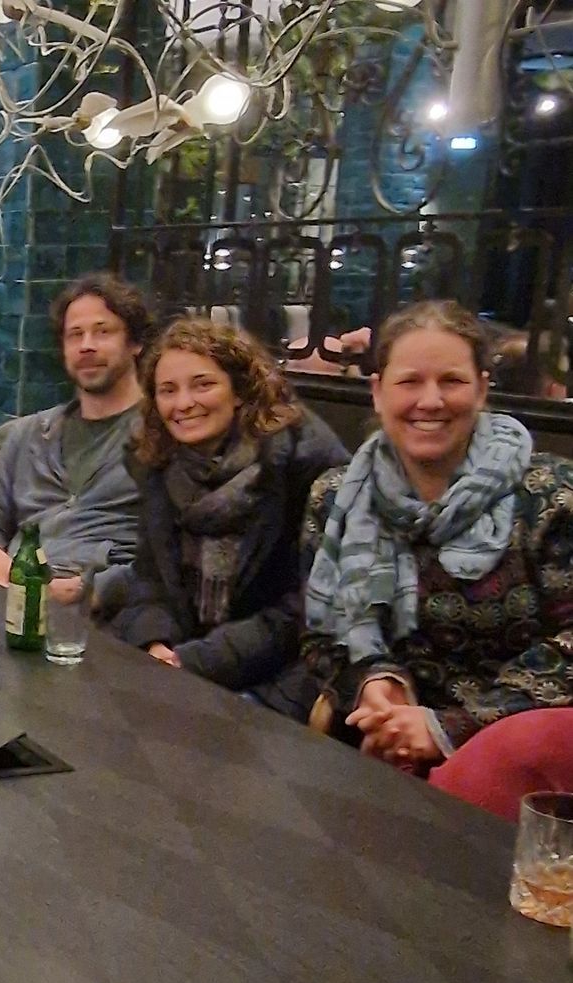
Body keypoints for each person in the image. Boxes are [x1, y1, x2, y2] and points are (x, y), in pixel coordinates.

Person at [302, 300, 573, 820]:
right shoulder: (335, 497)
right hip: (373, 743)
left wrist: (446, 727)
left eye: (451, 380)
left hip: (517, 776)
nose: (430, 401)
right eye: (409, 382)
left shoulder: (552, 497)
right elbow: (321, 631)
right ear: (378, 391)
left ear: (482, 389)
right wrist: (377, 684)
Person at [110, 318, 348, 716]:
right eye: (168, 390)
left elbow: (308, 606)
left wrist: (197, 660)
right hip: (182, 656)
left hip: (281, 671)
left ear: (239, 391)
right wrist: (155, 644)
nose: (183, 403)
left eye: (202, 385)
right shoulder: (157, 460)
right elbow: (150, 576)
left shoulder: (303, 462)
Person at [0, 272, 148, 603]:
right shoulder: (30, 434)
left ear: (135, 343)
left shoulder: (158, 435)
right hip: (10, 600)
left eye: (103, 331)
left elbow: (166, 556)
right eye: (75, 335)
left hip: (105, 612)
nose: (87, 345)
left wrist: (89, 590)